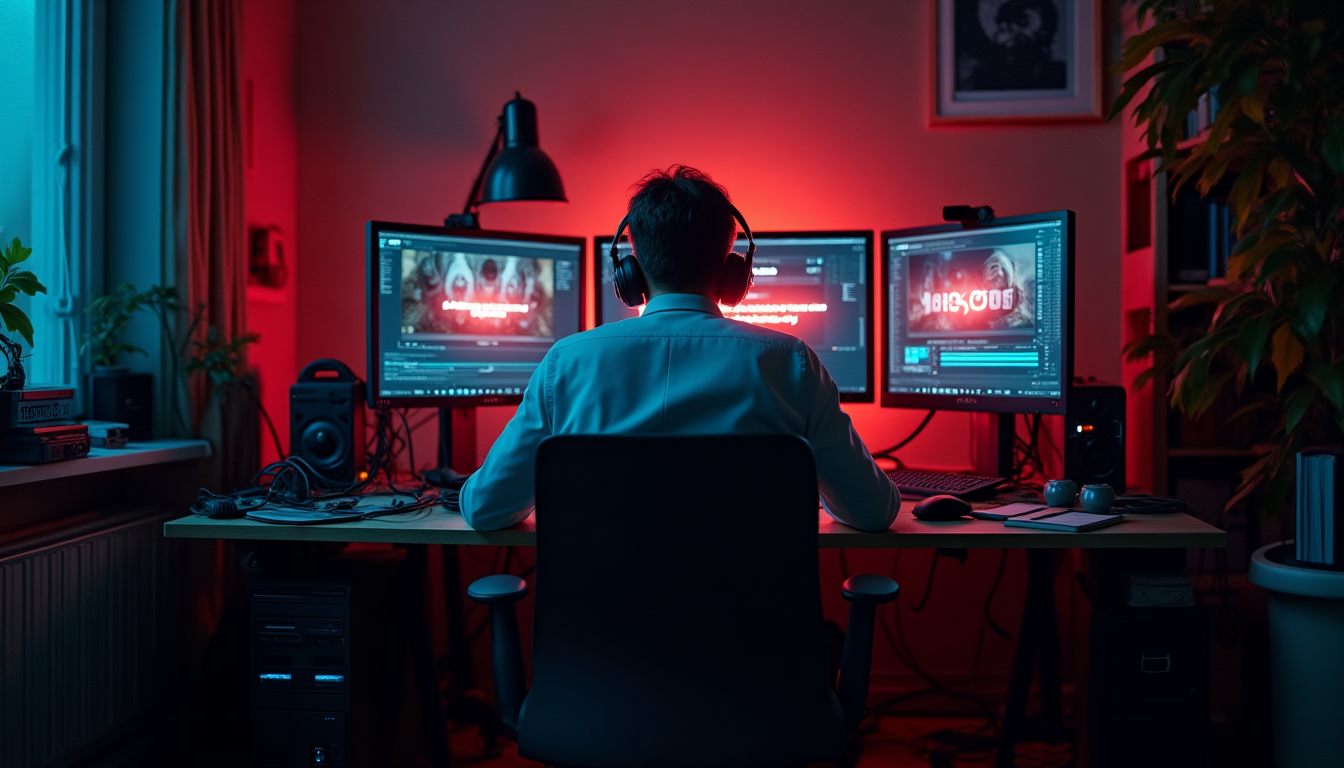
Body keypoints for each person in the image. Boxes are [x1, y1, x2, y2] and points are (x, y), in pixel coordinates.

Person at [459, 165, 899, 532]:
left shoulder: (567, 364)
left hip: (598, 634)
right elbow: (873, 511)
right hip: (750, 634)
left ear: (629, 269)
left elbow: (485, 509)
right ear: (734, 271)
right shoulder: (790, 363)